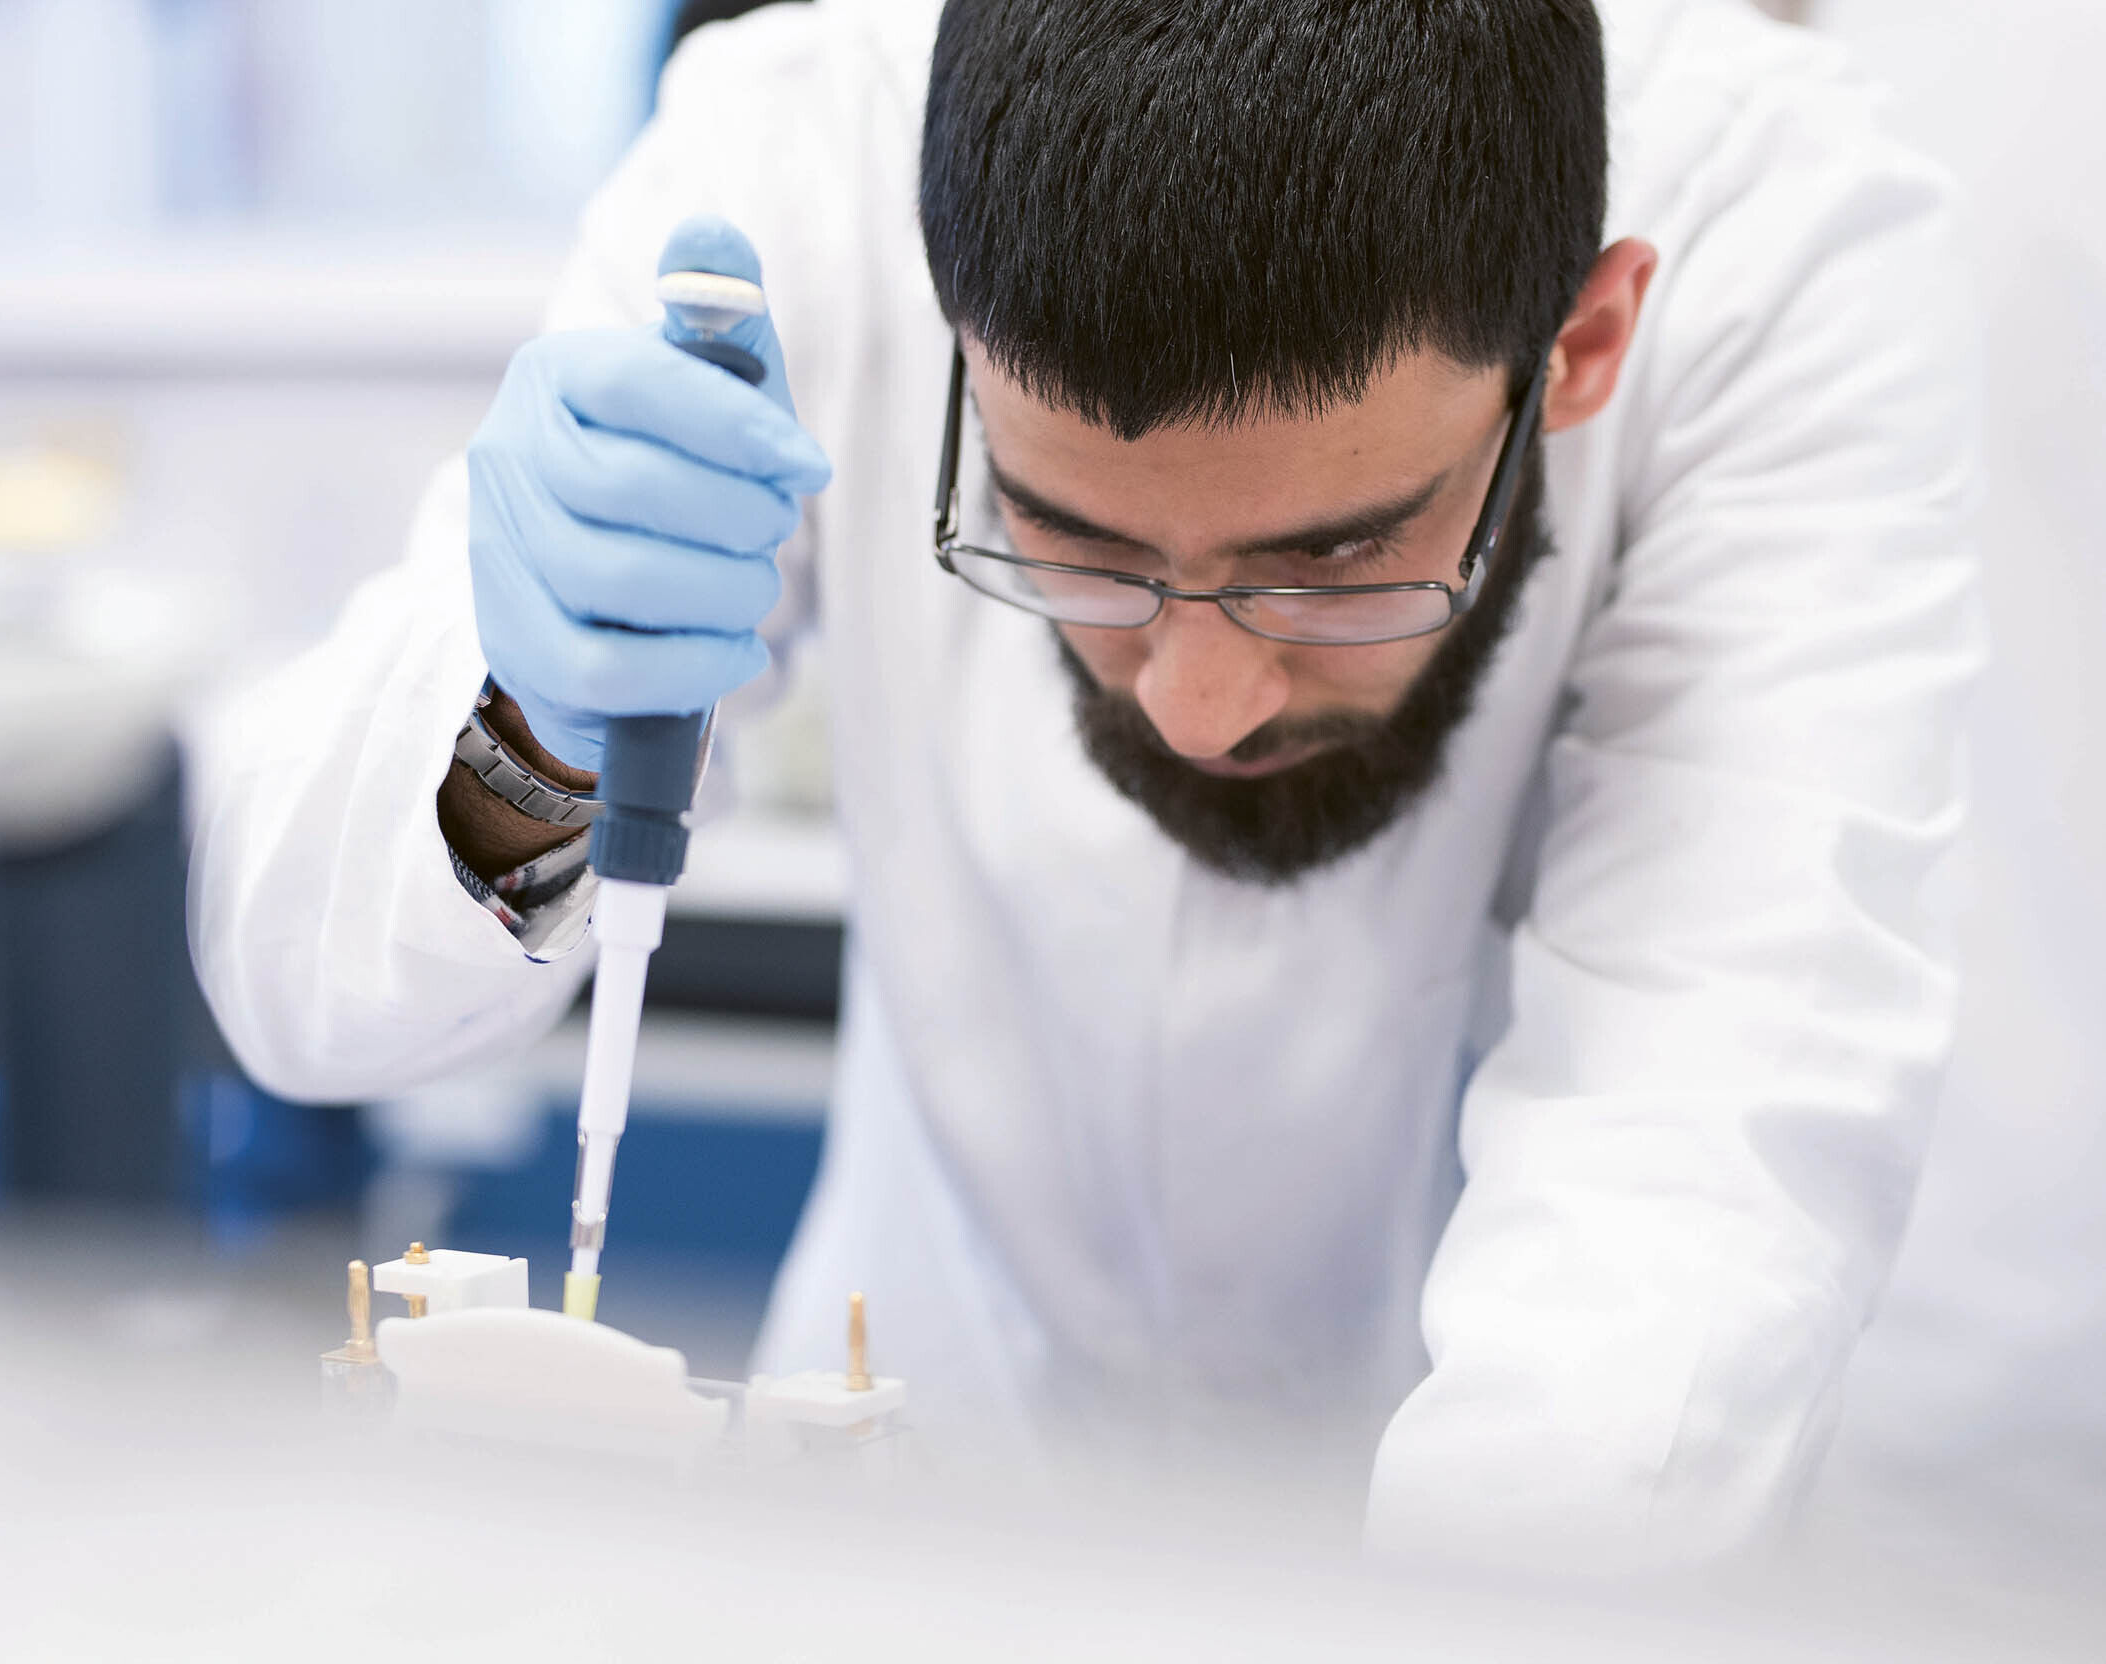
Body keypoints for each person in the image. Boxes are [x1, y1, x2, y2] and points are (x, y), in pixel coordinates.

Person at [191, 0, 1979, 1570]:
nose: (1201, 705)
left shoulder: (1777, 223)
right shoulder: (795, 170)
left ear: (1578, 352)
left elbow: (1704, 1109)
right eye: (1073, 542)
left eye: (1338, 560)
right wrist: (538, 732)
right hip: (904, 1511)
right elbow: (312, 996)